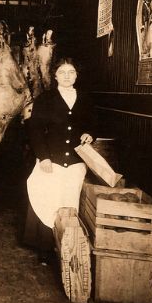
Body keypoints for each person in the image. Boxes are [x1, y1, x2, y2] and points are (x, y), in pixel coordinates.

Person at [22, 58, 96, 263]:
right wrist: (43, 157)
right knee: (47, 197)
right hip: (51, 159)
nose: (66, 76)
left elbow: (93, 124)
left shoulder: (86, 99)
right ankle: (45, 247)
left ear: (76, 75)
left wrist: (90, 134)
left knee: (69, 200)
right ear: (55, 76)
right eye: (62, 72)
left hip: (75, 160)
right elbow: (35, 130)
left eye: (70, 72)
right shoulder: (45, 99)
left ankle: (68, 247)